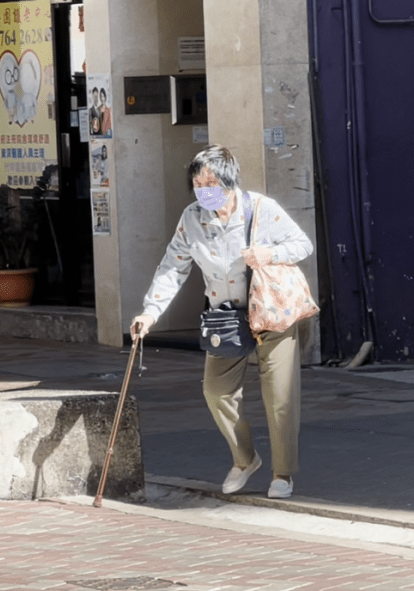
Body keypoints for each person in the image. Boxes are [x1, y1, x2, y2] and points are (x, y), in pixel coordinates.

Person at [130, 144, 313, 499]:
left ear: (231, 182)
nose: (204, 189)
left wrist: (269, 254)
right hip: (226, 319)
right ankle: (245, 459)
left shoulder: (261, 209)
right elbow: (173, 267)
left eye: (211, 182)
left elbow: (302, 244)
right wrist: (150, 311)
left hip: (272, 316)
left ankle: (282, 473)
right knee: (216, 390)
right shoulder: (192, 218)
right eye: (198, 183)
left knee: (280, 398)